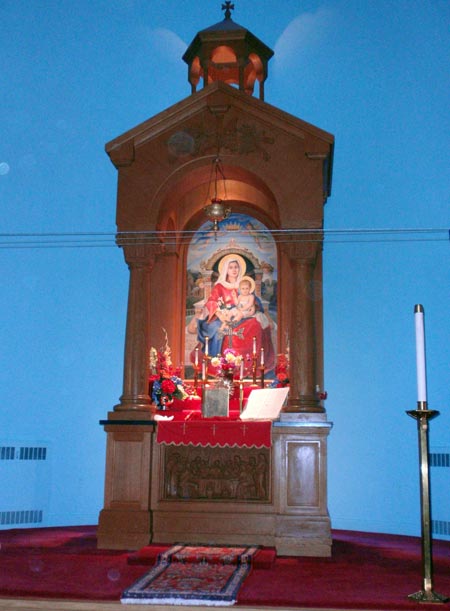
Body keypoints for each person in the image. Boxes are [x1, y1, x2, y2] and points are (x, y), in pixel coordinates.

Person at [196, 254, 275, 371]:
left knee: (256, 325)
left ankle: (250, 365)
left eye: (236, 267)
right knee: (216, 328)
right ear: (225, 270)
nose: (234, 270)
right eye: (231, 267)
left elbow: (253, 301)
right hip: (222, 316)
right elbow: (211, 301)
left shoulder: (244, 284)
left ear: (240, 269)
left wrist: (248, 309)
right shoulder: (219, 286)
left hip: (243, 315)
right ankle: (217, 363)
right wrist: (221, 315)